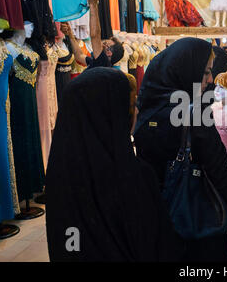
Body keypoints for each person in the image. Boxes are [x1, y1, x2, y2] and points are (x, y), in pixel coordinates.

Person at [45, 67, 181, 261]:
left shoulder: (60, 178)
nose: (136, 110)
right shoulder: (134, 177)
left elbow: (66, 241)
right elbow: (157, 246)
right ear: (114, 116)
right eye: (131, 104)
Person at [134, 37, 227, 262]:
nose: (211, 79)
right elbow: (216, 167)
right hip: (196, 220)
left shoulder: (147, 106)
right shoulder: (193, 112)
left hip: (155, 220)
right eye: (205, 72)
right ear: (187, 70)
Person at [60, 0, 124, 69]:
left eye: (105, 43)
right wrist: (70, 34)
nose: (101, 43)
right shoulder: (96, 62)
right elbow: (79, 55)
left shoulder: (103, 63)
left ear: (109, 52)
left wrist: (93, 4)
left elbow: (95, 35)